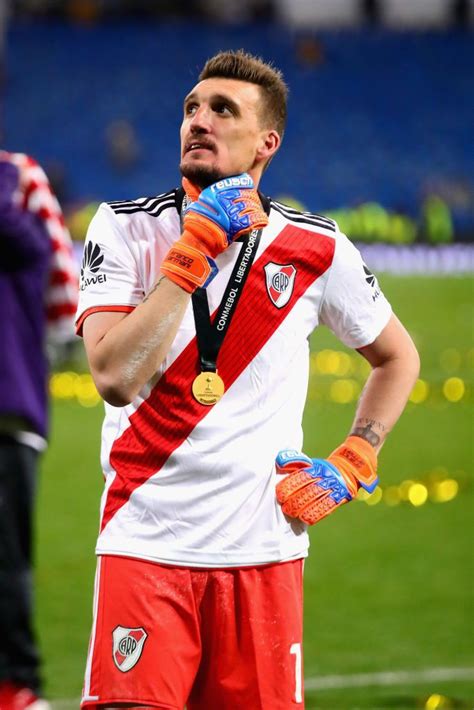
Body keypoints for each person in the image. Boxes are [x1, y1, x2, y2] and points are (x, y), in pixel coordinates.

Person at [76, 50, 420, 710]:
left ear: (268, 143)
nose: (199, 120)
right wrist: (193, 252)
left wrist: (357, 454)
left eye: (222, 110)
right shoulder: (125, 226)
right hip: (145, 547)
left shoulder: (317, 248)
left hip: (265, 556)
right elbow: (116, 376)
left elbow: (397, 356)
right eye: (191, 108)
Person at [0, 151, 78, 710]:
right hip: (16, 404)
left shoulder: (18, 185)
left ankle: (16, 684)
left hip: (8, 408)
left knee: (4, 561)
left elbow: (64, 295)